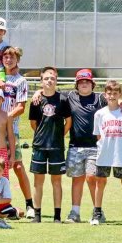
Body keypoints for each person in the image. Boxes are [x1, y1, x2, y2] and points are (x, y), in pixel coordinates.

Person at [31, 69, 108, 223]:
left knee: (91, 177)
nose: (84, 84)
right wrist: (37, 92)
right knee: (77, 179)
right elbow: (49, 90)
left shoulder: (100, 98)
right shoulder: (70, 97)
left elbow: (114, 100)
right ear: (76, 85)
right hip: (75, 146)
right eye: (81, 82)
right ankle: (75, 212)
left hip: (95, 146)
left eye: (87, 81)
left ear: (92, 84)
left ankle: (97, 211)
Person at [91, 80, 122, 226]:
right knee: (100, 182)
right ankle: (97, 213)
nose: (112, 96)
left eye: (115, 93)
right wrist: (105, 147)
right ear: (105, 95)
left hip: (120, 154)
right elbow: (98, 135)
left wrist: (121, 149)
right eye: (109, 93)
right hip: (104, 154)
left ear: (120, 94)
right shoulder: (100, 114)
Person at [28, 66, 71, 223]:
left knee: (56, 181)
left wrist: (59, 135)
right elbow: (33, 123)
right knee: (38, 181)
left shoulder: (63, 99)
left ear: (56, 80)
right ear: (41, 81)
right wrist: (42, 135)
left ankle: (57, 216)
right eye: (46, 78)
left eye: (52, 78)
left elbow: (69, 121)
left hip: (56, 147)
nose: (49, 81)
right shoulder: (36, 101)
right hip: (39, 146)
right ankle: (37, 214)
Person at [0, 46, 34, 218]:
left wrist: (5, 118)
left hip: (10, 130)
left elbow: (20, 107)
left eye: (11, 56)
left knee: (18, 166)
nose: (8, 59)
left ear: (17, 59)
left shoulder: (20, 81)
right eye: (5, 56)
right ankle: (0, 204)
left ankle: (29, 204)